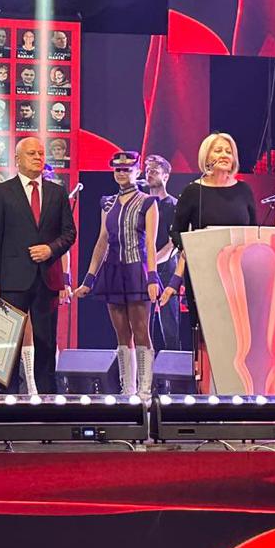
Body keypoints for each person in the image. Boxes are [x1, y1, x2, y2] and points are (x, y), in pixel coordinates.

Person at [0, 136, 76, 395]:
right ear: (17, 159)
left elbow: (69, 233)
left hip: (47, 279)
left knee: (46, 342)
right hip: (11, 280)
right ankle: (5, 399)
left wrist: (50, 249)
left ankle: (47, 399)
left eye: (41, 153)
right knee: (7, 343)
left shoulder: (57, 192)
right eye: (31, 153)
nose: (38, 157)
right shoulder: (2, 191)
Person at [168, 133, 256, 377]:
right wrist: (189, 248)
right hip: (203, 274)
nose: (224, 155)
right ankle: (206, 383)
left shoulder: (244, 190)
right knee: (206, 332)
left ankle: (236, 382)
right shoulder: (193, 191)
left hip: (238, 275)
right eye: (218, 150)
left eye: (228, 151)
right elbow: (175, 231)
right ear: (206, 157)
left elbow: (254, 231)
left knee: (237, 333)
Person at [75, 153, 160, 396]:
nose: (121, 173)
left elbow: (151, 244)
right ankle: (128, 388)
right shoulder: (108, 203)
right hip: (112, 271)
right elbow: (102, 241)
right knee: (122, 333)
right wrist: (89, 279)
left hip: (136, 270)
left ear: (137, 172)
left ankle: (145, 389)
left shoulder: (147, 202)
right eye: (117, 170)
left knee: (141, 331)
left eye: (127, 169)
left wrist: (152, 277)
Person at [142, 154, 185, 353]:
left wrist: (152, 263)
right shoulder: (142, 204)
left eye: (154, 171)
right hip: (145, 270)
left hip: (166, 269)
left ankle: (173, 368)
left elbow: (173, 243)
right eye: (147, 170)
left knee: (170, 326)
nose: (149, 174)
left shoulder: (174, 205)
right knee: (143, 325)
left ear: (166, 176)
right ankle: (145, 368)